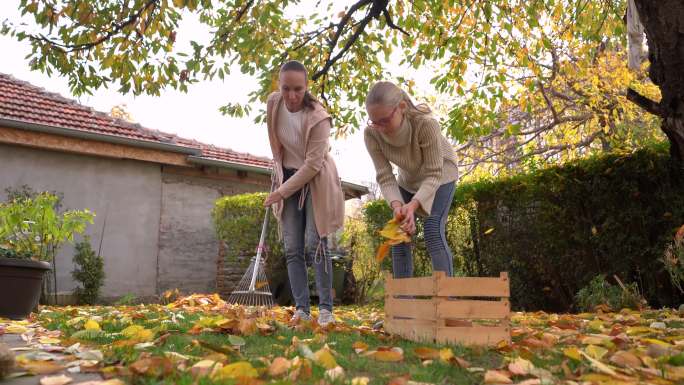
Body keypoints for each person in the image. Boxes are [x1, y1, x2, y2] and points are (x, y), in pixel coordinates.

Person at [263, 60, 345, 326]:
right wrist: (279, 176)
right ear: (279, 85)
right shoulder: (273, 104)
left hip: (316, 181)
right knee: (292, 248)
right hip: (287, 176)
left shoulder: (319, 118)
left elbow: (312, 164)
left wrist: (281, 193)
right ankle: (301, 310)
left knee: (314, 245)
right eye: (286, 88)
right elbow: (277, 145)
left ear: (307, 87)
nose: (292, 96)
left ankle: (325, 310)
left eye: (298, 89)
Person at [364, 81, 459, 278]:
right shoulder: (372, 134)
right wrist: (398, 205)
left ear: (402, 108)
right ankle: (403, 302)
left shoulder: (426, 125)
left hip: (441, 174)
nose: (379, 128)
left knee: (433, 229)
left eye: (385, 121)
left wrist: (414, 205)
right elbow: (385, 175)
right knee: (398, 233)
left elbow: (434, 173)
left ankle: (446, 301)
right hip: (408, 178)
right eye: (374, 121)